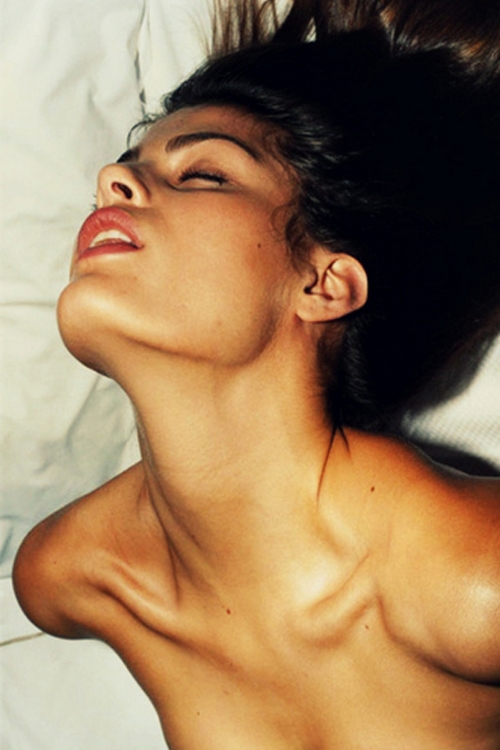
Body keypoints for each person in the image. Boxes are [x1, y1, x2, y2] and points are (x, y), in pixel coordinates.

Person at [13, 1, 500, 747]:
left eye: (204, 174)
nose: (113, 178)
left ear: (324, 284)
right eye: (129, 165)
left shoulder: (473, 577)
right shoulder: (73, 576)